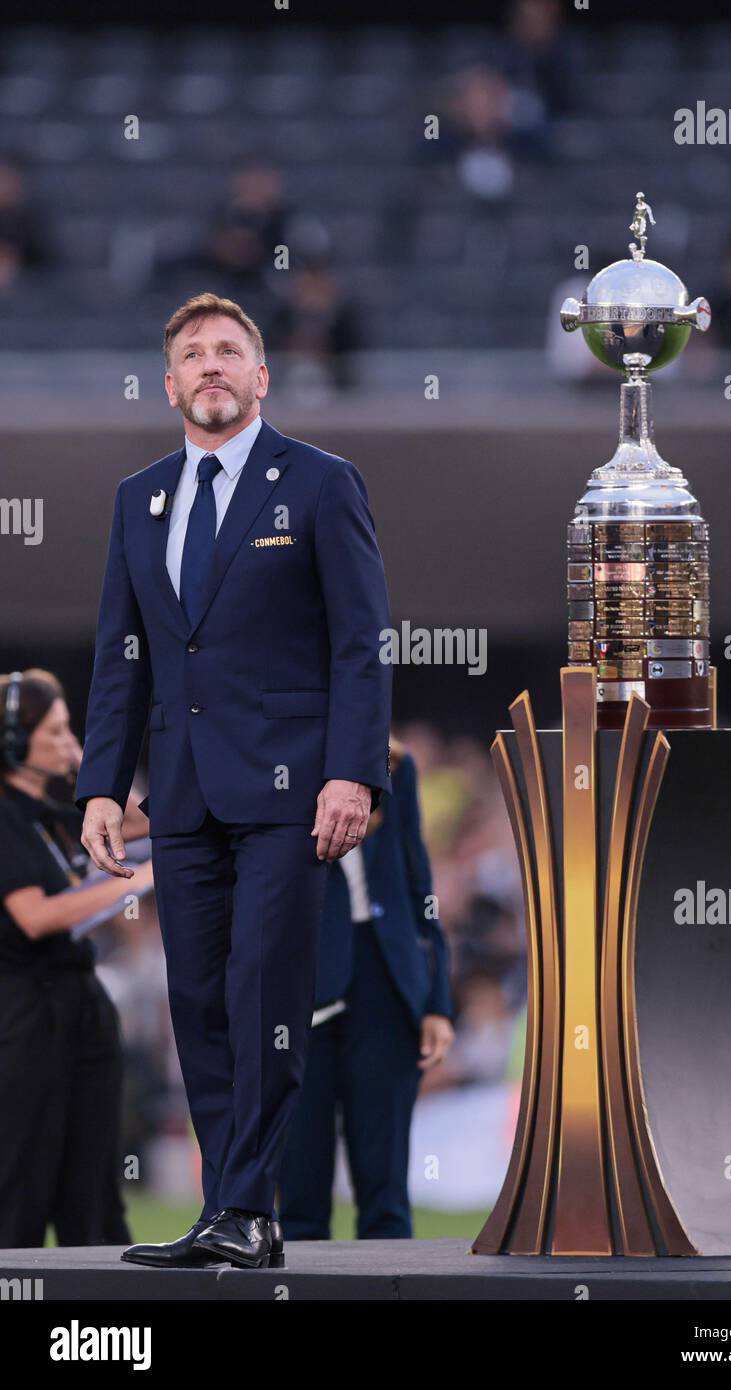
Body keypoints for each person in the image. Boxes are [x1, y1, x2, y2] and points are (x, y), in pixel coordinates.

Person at [74, 292, 392, 1270]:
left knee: (263, 991)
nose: (210, 365)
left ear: (260, 375)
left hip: (289, 796)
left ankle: (250, 1208)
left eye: (228, 351)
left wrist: (351, 774)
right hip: (178, 797)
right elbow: (122, 656)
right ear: (169, 384)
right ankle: (230, 1206)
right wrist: (99, 783)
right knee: (199, 1003)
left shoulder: (322, 482)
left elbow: (361, 644)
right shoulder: (139, 498)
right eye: (191, 354)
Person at [0, 668, 152, 1248]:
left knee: (92, 1184)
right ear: (15, 742)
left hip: (78, 1003)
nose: (71, 743)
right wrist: (138, 880)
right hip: (24, 1013)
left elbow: (143, 822)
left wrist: (97, 774)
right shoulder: (8, 815)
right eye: (57, 731)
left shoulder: (56, 808)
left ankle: (103, 1312)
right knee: (21, 1177)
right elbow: (35, 916)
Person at [278, 739, 454, 1239]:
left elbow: (419, 885)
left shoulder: (396, 763)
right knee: (300, 1192)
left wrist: (437, 1002)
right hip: (304, 983)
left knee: (386, 1193)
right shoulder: (283, 760)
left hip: (388, 984)